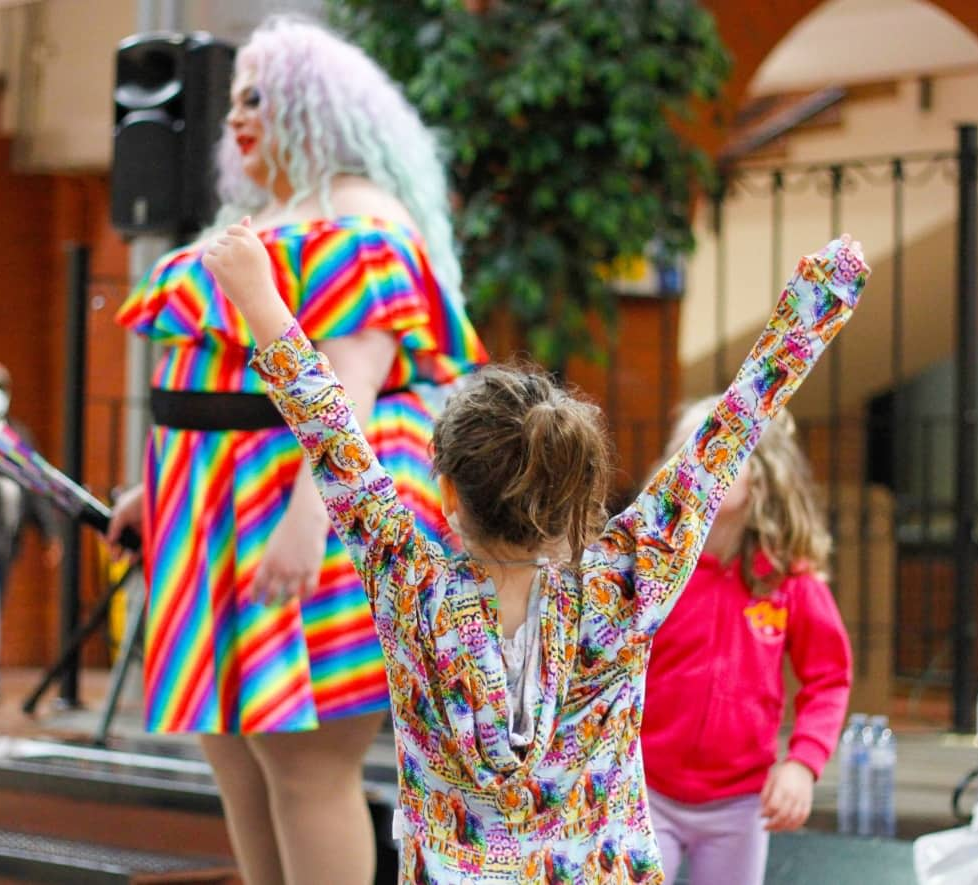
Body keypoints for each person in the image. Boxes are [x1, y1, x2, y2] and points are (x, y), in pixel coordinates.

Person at [201, 217, 867, 882]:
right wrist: (815, 305)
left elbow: (334, 440)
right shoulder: (626, 584)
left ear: (447, 494)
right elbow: (726, 437)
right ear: (583, 502)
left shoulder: (410, 585)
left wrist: (261, 301)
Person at [106, 16, 487, 885]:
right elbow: (206, 388)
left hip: (295, 506)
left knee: (306, 768)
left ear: (316, 107)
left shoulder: (359, 219)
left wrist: (312, 521)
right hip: (218, 514)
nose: (237, 115)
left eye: (258, 96)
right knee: (240, 763)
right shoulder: (274, 217)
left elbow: (345, 393)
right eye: (235, 97)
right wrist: (152, 490)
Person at [640, 399, 853, 885]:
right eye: (687, 451)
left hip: (740, 804)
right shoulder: (655, 571)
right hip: (644, 791)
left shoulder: (789, 581)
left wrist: (803, 763)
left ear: (760, 474)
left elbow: (829, 677)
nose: (699, 462)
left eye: (718, 449)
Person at [0, 360, 62, 704]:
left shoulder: (16, 434)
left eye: (0, 386)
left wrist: (50, 533)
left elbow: (33, 488)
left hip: (6, 542)